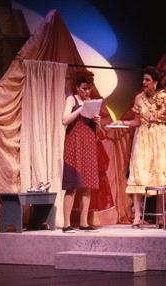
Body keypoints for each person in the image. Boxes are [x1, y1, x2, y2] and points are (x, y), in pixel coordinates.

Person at [112, 66, 166, 228]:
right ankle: (137, 216)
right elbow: (136, 121)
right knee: (139, 172)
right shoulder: (139, 98)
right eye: (143, 79)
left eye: (147, 80)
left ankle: (161, 217)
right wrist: (122, 122)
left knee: (160, 172)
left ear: (155, 82)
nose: (144, 82)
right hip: (142, 137)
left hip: (159, 137)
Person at [61, 70, 102, 233]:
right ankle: (66, 224)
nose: (87, 92)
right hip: (74, 146)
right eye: (84, 88)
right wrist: (81, 108)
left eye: (89, 89)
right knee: (72, 185)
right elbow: (64, 120)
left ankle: (84, 223)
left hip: (89, 146)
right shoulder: (72, 99)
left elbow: (99, 133)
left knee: (87, 186)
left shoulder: (92, 102)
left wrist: (98, 122)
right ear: (77, 87)